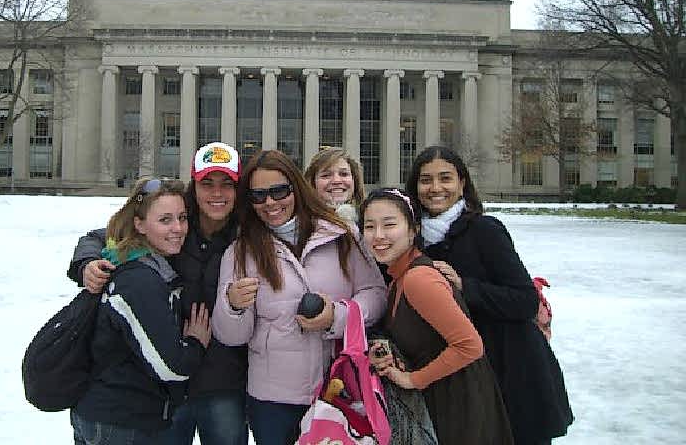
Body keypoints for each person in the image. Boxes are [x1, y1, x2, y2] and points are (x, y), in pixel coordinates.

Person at [67, 143, 248, 445]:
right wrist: (87, 263)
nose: (217, 193)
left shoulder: (248, 231)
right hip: (164, 388)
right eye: (207, 183)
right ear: (194, 186)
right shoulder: (174, 220)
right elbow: (106, 235)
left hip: (223, 381)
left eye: (226, 184)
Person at [211, 149, 387, 445]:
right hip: (273, 399)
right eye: (258, 196)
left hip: (337, 389)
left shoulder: (341, 235)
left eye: (279, 191)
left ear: (296, 188)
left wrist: (337, 316)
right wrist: (233, 306)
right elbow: (231, 336)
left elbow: (376, 295)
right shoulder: (240, 252)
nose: (270, 203)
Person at [405, 146, 574, 445]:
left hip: (513, 370)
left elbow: (525, 300)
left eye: (445, 178)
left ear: (462, 183)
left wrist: (464, 286)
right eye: (426, 180)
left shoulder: (484, 230)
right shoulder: (413, 241)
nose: (435, 188)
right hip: (463, 378)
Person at [362, 187, 513, 445]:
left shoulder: (419, 279)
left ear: (413, 230)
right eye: (369, 226)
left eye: (389, 225)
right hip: (442, 400)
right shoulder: (399, 277)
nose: (378, 235)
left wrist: (412, 380)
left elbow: (469, 345)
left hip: (457, 408)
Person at [70, 178, 211, 444]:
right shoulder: (139, 280)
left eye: (182, 218)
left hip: (106, 413)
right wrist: (195, 343)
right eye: (165, 220)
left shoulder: (134, 257)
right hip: (120, 421)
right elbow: (171, 368)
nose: (178, 228)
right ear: (140, 224)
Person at [304, 147, 365, 222]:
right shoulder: (301, 224)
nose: (336, 181)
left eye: (344, 174)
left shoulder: (368, 219)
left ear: (355, 180)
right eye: (326, 175)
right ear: (312, 183)